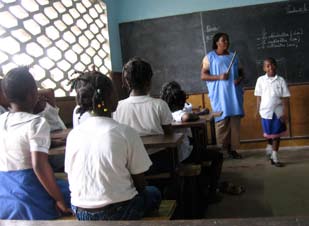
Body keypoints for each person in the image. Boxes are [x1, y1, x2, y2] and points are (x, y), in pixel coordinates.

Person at [66, 69, 161, 220]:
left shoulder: (73, 135)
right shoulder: (125, 132)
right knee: (153, 192)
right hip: (119, 211)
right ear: (110, 97)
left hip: (80, 211)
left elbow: (70, 175)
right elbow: (140, 184)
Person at [0, 66, 71, 219]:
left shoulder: (1, 120)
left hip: (4, 190)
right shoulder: (37, 123)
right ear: (33, 93)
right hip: (29, 190)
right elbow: (39, 166)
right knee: (76, 192)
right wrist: (59, 200)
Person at [160, 81, 223, 203]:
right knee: (217, 156)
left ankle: (203, 183)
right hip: (184, 155)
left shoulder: (164, 112)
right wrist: (197, 116)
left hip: (169, 155)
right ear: (182, 101)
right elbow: (186, 117)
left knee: (200, 150)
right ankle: (211, 193)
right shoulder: (178, 113)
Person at [113, 57, 174, 173]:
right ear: (149, 81)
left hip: (129, 164)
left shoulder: (117, 107)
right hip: (158, 160)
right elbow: (169, 136)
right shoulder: (160, 105)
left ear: (126, 82)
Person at [201, 32, 244, 159]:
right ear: (216, 43)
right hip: (219, 95)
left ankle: (233, 150)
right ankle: (221, 150)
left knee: (234, 123)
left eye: (227, 40)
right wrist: (219, 77)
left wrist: (239, 79)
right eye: (223, 40)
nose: (226, 42)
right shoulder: (209, 57)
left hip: (234, 94)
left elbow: (242, 73)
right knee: (222, 122)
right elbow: (203, 76)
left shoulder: (234, 57)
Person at [254, 57, 290, 167]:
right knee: (269, 134)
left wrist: (285, 112)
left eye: (272, 65)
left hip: (278, 112)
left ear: (276, 66)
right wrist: (256, 110)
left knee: (276, 135)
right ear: (264, 68)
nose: (271, 68)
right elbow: (258, 97)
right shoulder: (260, 80)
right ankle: (269, 146)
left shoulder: (281, 80)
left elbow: (285, 97)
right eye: (267, 66)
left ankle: (274, 157)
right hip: (265, 112)